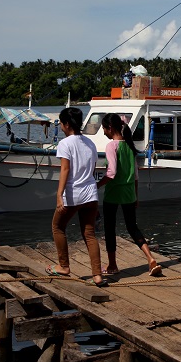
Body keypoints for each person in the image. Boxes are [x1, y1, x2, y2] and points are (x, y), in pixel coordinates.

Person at [97, 113, 162, 277]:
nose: (104, 132)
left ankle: (112, 265)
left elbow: (111, 173)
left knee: (110, 229)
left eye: (104, 128)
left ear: (110, 128)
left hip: (113, 193)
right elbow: (135, 176)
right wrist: (136, 197)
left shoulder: (112, 146)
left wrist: (95, 186)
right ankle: (150, 258)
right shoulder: (130, 147)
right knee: (132, 227)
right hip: (129, 193)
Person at [46, 107, 105, 287]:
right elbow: (93, 169)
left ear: (66, 124)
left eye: (62, 125)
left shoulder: (66, 144)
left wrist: (59, 195)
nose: (62, 128)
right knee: (89, 234)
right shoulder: (90, 143)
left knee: (57, 227)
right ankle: (97, 275)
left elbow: (65, 169)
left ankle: (64, 266)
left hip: (74, 194)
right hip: (90, 194)